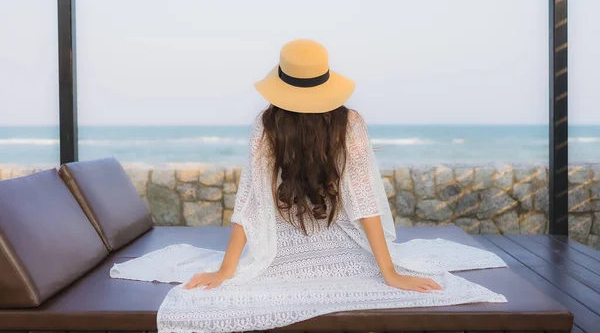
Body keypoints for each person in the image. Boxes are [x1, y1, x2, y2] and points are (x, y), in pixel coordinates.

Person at [110, 39, 507, 332]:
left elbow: (249, 199)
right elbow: (363, 200)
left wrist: (227, 268)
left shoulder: (267, 124)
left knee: (270, 278)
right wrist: (388, 271)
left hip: (284, 236)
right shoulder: (348, 122)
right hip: (335, 230)